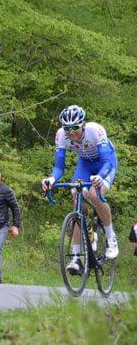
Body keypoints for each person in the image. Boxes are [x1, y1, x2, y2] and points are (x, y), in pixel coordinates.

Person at [42, 105, 119, 274]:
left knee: (94, 194)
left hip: (105, 164)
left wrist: (100, 176)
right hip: (84, 165)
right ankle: (77, 257)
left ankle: (111, 238)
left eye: (75, 128)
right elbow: (59, 166)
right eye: (67, 128)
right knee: (77, 199)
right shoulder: (61, 135)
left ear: (83, 124)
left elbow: (107, 161)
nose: (71, 133)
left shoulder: (95, 131)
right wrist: (52, 179)